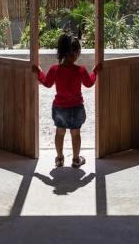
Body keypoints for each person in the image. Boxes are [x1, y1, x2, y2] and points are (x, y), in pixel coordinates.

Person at [32, 32, 99, 168]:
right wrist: (95, 72)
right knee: (75, 133)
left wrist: (38, 72)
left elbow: (47, 83)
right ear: (76, 53)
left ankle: (59, 158)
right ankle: (76, 159)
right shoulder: (80, 70)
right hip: (76, 108)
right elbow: (89, 83)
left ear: (60, 52)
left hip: (59, 108)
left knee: (60, 132)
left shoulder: (54, 69)